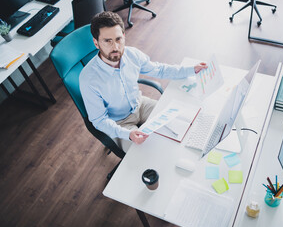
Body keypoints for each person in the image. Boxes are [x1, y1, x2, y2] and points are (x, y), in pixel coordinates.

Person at [79, 11, 207, 148]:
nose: (115, 47)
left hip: (140, 104)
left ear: (123, 36)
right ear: (96, 43)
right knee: (147, 151)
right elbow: (99, 120)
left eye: (118, 39)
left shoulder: (132, 54)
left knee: (182, 125)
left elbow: (159, 69)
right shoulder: (88, 79)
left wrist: (190, 70)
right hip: (119, 123)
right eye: (107, 41)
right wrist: (127, 134)